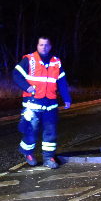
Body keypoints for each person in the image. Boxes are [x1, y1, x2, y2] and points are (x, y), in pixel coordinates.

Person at [13, 36, 71, 168]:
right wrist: (26, 87)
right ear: (37, 46)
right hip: (32, 104)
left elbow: (62, 82)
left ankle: (49, 158)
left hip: (50, 104)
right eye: (41, 45)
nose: (43, 47)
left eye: (46, 45)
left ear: (50, 47)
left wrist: (67, 98)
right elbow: (16, 74)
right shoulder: (29, 60)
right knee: (31, 130)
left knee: (51, 132)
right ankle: (28, 152)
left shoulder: (56, 62)